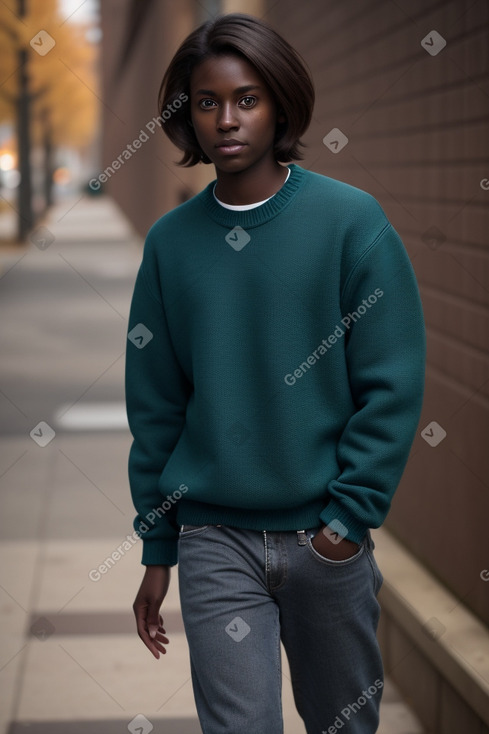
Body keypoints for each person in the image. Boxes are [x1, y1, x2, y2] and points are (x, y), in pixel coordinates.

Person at [125, 13, 425, 734]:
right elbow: (157, 406)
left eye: (247, 99)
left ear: (279, 104)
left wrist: (346, 523)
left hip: (326, 542)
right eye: (206, 102)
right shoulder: (170, 245)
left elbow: (390, 383)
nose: (226, 119)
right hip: (212, 540)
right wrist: (158, 545)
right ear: (185, 116)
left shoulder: (350, 222)